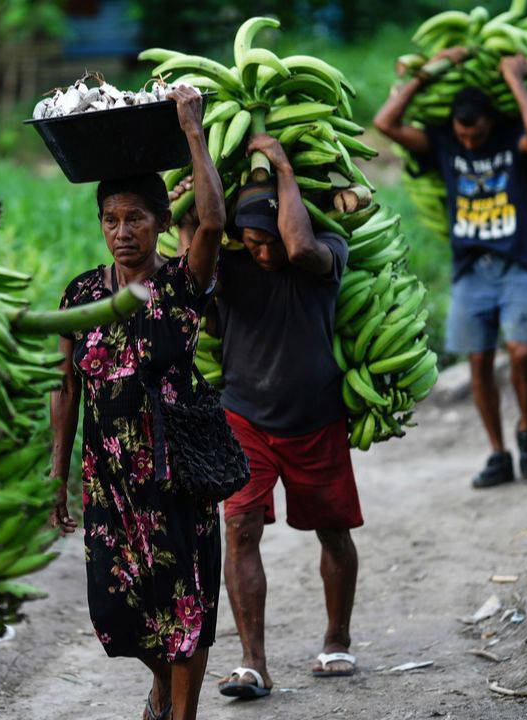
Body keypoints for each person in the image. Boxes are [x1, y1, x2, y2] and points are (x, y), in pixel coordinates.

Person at [48, 85, 226, 720]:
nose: (123, 232)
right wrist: (56, 474)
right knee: (117, 612)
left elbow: (211, 221)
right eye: (111, 219)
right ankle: (163, 686)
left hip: (177, 470)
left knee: (185, 603)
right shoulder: (83, 294)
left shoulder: (183, 282)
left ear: (157, 222)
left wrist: (191, 131)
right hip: (109, 477)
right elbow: (66, 384)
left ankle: (182, 712)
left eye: (137, 218)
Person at [177, 135, 362, 699]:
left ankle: (336, 638)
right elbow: (191, 272)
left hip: (315, 418)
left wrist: (282, 168)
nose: (263, 253)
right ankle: (253, 662)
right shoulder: (229, 265)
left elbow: (298, 246)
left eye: (269, 241)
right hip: (246, 418)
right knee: (240, 529)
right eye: (252, 242)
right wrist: (187, 209)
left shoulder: (324, 250)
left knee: (332, 531)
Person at [374, 49, 527, 488]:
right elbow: (385, 124)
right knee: (478, 362)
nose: (469, 143)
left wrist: (514, 78)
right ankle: (498, 453)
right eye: (462, 135)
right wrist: (427, 73)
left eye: (476, 135)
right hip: (471, 270)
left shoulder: (513, 137)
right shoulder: (445, 143)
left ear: (490, 121)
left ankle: (526, 429)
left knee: (522, 351)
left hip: (519, 264)